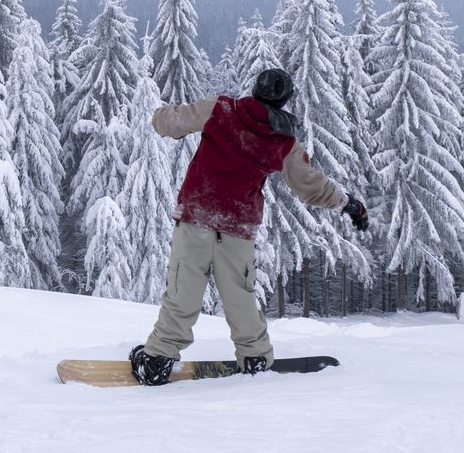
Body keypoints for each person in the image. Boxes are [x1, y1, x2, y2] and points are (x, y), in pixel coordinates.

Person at [129, 68, 369, 386]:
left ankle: (158, 358)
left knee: (182, 290)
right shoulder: (285, 142)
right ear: (285, 100)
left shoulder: (220, 109)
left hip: (197, 217)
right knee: (240, 296)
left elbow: (169, 123)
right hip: (238, 227)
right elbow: (310, 185)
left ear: (255, 89)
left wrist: (161, 115)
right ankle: (255, 357)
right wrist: (347, 203)